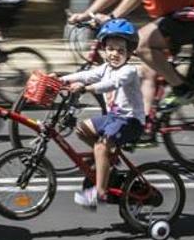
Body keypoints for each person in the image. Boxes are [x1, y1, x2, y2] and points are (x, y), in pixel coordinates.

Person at [59, 19, 145, 210]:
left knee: (99, 146)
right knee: (81, 130)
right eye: (110, 49)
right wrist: (59, 79)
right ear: (104, 49)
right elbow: (85, 75)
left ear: (130, 52)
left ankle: (100, 192)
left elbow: (110, 84)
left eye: (121, 50)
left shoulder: (129, 71)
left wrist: (85, 89)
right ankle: (109, 158)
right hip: (113, 118)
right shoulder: (105, 68)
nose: (114, 54)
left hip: (131, 121)